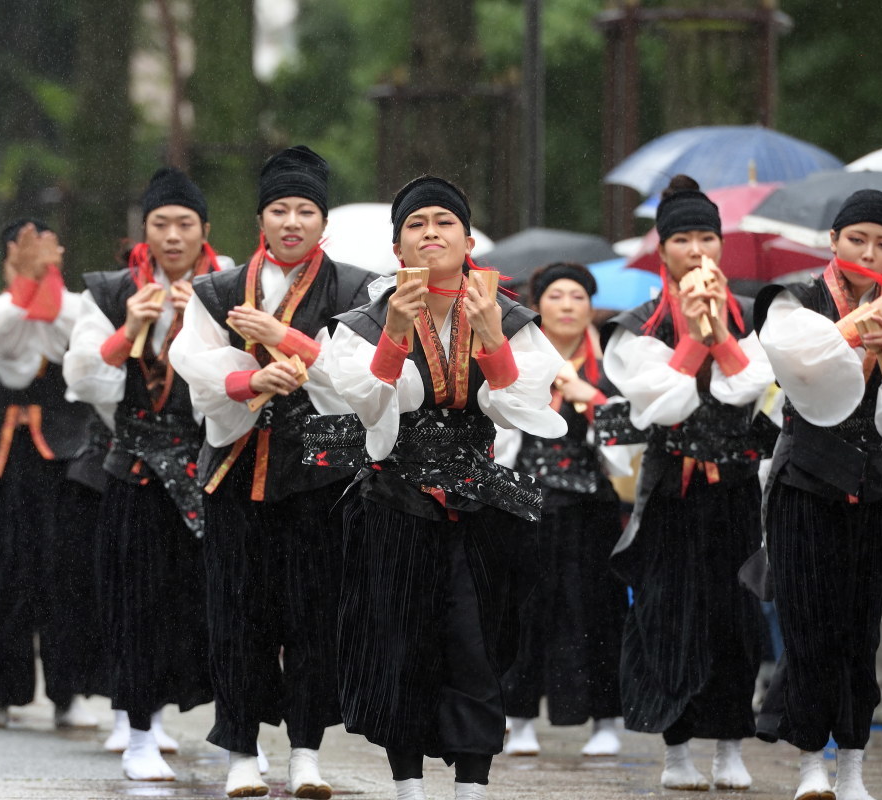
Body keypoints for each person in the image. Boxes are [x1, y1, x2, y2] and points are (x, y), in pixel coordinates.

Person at [314, 175, 566, 800]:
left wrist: (491, 339)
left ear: (469, 238)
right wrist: (396, 336)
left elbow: (522, 408)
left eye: (443, 222)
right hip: (395, 501)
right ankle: (408, 786)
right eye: (416, 224)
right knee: (401, 641)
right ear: (398, 247)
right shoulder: (363, 322)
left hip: (477, 504)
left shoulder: (508, 315)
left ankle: (472, 784)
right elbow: (368, 407)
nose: (431, 233)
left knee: (476, 643)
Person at [169, 145, 374, 799]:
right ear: (260, 219)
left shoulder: (353, 288)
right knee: (236, 613)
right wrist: (250, 377)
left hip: (320, 472)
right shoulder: (219, 289)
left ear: (323, 222)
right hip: (238, 469)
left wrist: (293, 347)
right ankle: (240, 751)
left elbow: (362, 381)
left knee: (314, 615)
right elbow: (193, 363)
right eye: (280, 209)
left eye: (305, 210)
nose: (292, 221)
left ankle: (306, 749)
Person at [601, 175, 774, 791]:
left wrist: (719, 333)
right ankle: (677, 752)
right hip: (672, 489)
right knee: (667, 613)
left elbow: (753, 388)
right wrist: (695, 342)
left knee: (736, 615)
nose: (697, 249)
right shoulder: (638, 322)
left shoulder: (754, 311)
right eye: (683, 238)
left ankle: (730, 745)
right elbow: (660, 404)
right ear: (663, 248)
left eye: (707, 236)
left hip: (733, 488)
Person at [755, 189, 882, 800]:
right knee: (807, 627)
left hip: (873, 486)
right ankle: (809, 765)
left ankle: (852, 765)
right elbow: (799, 363)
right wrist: (857, 326)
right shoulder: (794, 300)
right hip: (804, 482)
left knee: (860, 629)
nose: (871, 253)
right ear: (833, 239)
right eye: (858, 240)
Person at [64, 167, 219, 780]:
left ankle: (231, 726)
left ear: (205, 229)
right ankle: (137, 732)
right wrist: (130, 328)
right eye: (161, 224)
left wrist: (205, 319)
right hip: (131, 464)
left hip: (209, 465)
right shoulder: (109, 290)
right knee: (133, 599)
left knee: (209, 602)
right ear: (145, 230)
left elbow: (242, 375)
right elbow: (82, 379)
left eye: (185, 224)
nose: (173, 235)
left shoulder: (231, 285)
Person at [0, 220, 100, 731]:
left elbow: (69, 336)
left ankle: (68, 693)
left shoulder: (77, 308)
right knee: (0, 574)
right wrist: (24, 285)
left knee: (65, 575)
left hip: (63, 456)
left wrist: (46, 282)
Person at [500, 262, 628, 758]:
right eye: (556, 296)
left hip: (594, 507)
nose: (568, 305)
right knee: (526, 610)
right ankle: (520, 717)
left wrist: (590, 397)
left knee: (597, 611)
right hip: (529, 502)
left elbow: (633, 431)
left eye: (578, 296)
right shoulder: (519, 356)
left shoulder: (611, 361)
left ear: (590, 306)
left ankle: (604, 720)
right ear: (540, 305)